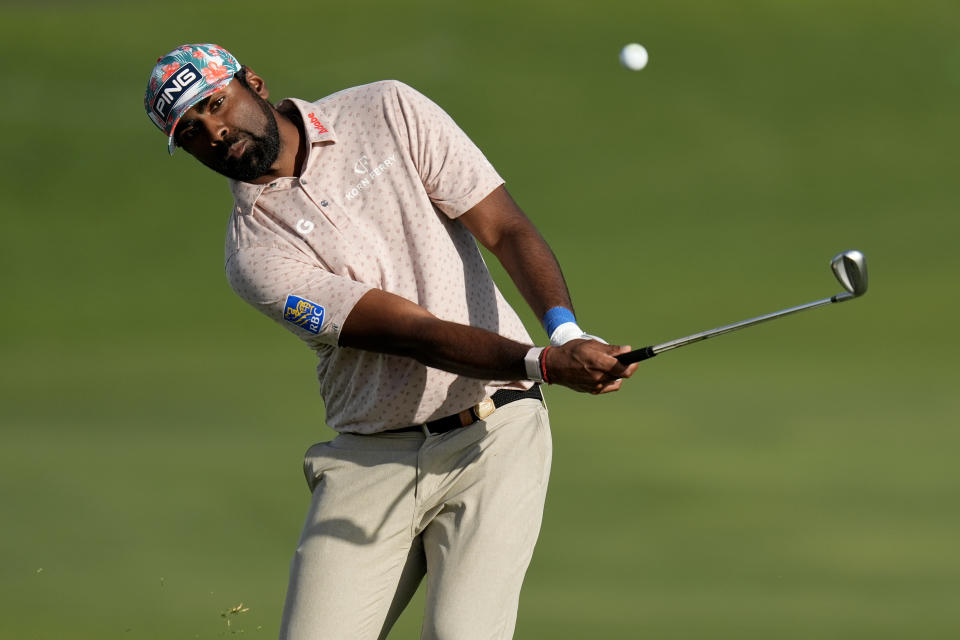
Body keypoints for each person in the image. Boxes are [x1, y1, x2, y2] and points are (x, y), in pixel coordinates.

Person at [144, 43, 638, 640]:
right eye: (192, 131)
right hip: (373, 455)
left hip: (496, 431)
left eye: (218, 104)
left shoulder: (386, 110)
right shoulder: (255, 255)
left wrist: (566, 332)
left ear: (254, 83)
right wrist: (543, 361)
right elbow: (412, 332)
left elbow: (504, 227)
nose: (216, 132)